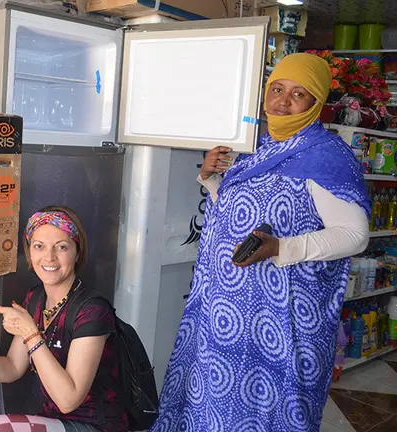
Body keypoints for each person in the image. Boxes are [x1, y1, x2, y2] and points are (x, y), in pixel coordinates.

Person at [151, 53, 372, 432]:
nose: (282, 102)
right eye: (277, 89)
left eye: (298, 94)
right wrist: (210, 179)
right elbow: (236, 215)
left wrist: (282, 248)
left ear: (316, 101)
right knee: (213, 405)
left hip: (280, 322)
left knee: (270, 412)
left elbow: (354, 235)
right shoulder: (258, 147)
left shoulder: (327, 155)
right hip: (225, 313)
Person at [0, 206, 128, 432]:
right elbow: (12, 367)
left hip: (97, 426)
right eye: (39, 246)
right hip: (55, 420)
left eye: (62, 247)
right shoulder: (36, 299)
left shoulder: (92, 310)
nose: (49, 257)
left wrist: (30, 333)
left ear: (77, 253)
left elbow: (68, 400)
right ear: (29, 252)